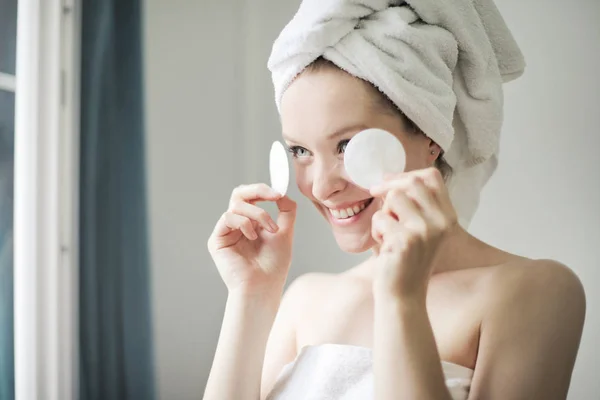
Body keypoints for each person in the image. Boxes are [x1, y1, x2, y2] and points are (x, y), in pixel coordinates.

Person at [203, 1, 586, 399]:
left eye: (347, 145)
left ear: (431, 136)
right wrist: (251, 296)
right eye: (300, 151)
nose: (320, 187)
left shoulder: (533, 292)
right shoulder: (304, 298)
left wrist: (401, 299)